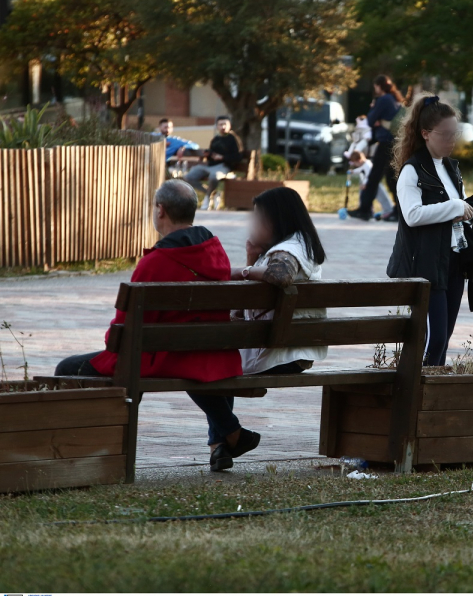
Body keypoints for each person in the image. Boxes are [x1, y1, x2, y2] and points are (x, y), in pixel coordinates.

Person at [54, 180, 258, 472]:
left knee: (66, 368)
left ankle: (83, 446)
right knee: (199, 357)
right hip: (215, 352)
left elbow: (121, 333)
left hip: (166, 356)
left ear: (160, 211)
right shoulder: (215, 250)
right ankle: (225, 439)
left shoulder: (155, 262)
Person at [386, 93, 473, 366]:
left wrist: (466, 216)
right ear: (425, 133)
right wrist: (456, 207)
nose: (452, 140)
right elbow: (412, 216)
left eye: (455, 133)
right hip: (425, 264)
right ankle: (416, 390)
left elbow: (452, 211)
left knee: (444, 338)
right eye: (445, 134)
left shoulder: (450, 168)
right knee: (433, 338)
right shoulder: (411, 171)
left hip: (453, 261)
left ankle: (429, 391)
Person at [231, 187, 329, 374]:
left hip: (276, 355)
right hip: (292, 351)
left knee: (195, 363)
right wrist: (251, 258)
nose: (252, 226)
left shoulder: (289, 250)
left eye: (258, 218)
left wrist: (241, 271)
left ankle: (220, 405)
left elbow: (281, 275)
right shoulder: (300, 245)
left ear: (276, 220)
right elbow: (240, 312)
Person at [347, 75, 405, 222]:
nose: (375, 89)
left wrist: (374, 111)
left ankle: (365, 210)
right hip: (394, 143)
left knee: (374, 177)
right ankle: (399, 211)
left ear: (379, 86)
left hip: (386, 142)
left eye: (375, 87)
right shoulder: (394, 99)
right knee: (392, 178)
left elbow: (370, 120)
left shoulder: (384, 99)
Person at [184, 115, 243, 210]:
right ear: (217, 126)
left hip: (224, 166)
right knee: (188, 177)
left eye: (225, 124)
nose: (223, 127)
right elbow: (211, 155)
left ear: (230, 126)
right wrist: (209, 154)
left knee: (213, 176)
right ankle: (213, 194)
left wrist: (223, 157)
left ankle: (207, 198)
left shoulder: (234, 139)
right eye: (220, 124)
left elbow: (238, 156)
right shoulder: (215, 139)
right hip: (210, 166)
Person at [348, 150, 393, 221]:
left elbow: (369, 176)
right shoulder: (363, 164)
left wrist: (365, 184)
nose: (354, 165)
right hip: (367, 184)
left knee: (381, 196)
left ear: (359, 160)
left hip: (372, 184)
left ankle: (388, 210)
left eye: (355, 163)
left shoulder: (367, 165)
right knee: (365, 196)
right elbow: (360, 169)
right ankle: (368, 211)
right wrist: (353, 171)